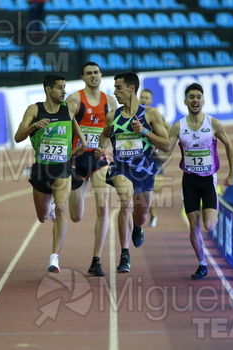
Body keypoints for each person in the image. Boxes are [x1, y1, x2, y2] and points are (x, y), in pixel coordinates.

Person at [95, 72, 169, 273]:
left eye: (118, 87)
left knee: (142, 212)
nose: (115, 92)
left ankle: (137, 227)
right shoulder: (113, 116)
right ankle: (125, 254)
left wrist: (144, 132)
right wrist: (101, 148)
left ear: (131, 88)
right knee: (126, 202)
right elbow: (104, 135)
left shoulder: (151, 114)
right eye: (114, 87)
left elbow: (166, 145)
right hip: (120, 167)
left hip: (144, 168)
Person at [14, 74, 87, 274]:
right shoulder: (35, 109)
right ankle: (51, 209)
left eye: (65, 87)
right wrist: (34, 126)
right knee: (42, 216)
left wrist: (82, 141)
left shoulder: (68, 108)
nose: (64, 91)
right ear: (48, 90)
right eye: (60, 88)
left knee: (63, 208)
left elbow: (73, 122)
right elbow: (18, 137)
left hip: (62, 168)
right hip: (41, 169)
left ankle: (54, 258)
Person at [164, 82, 233, 280]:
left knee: (209, 226)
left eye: (198, 97)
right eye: (191, 97)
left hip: (208, 181)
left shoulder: (213, 124)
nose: (195, 100)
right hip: (189, 182)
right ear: (185, 101)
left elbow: (229, 146)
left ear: (203, 100)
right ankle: (202, 263)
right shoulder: (178, 127)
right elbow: (166, 153)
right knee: (193, 225)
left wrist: (231, 175)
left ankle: (216, 215)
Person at [65, 62, 118, 276]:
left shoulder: (111, 101)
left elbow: (114, 130)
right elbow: (64, 125)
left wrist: (110, 151)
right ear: (83, 77)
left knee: (103, 207)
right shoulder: (75, 100)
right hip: (78, 159)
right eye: (89, 74)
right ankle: (58, 196)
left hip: (99, 159)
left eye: (96, 73)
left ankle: (96, 260)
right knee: (76, 216)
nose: (93, 76)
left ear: (101, 75)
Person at [138, 88, 171, 228]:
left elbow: (169, 131)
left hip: (156, 159)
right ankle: (150, 214)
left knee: (153, 189)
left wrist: (160, 145)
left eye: (147, 98)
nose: (144, 100)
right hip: (140, 158)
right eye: (142, 97)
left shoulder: (156, 115)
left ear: (151, 100)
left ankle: (150, 213)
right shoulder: (135, 114)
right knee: (143, 191)